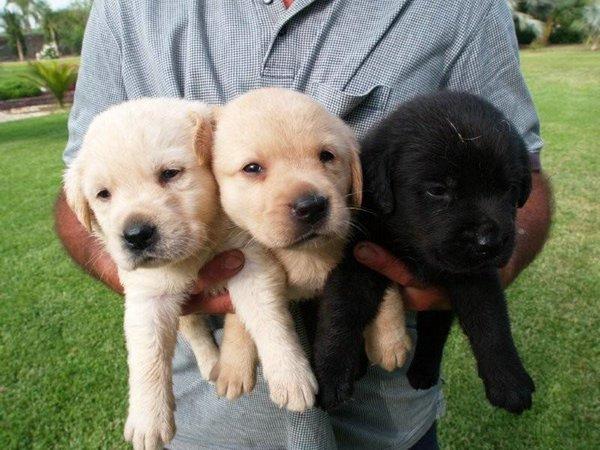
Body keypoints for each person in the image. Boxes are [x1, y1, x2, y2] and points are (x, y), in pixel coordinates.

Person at [55, 0, 552, 448]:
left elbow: (517, 170)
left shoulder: (463, 9)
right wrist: (143, 278)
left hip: (387, 416)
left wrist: (474, 273)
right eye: (252, 169)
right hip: (210, 422)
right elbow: (83, 186)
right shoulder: (125, 12)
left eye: (327, 157)